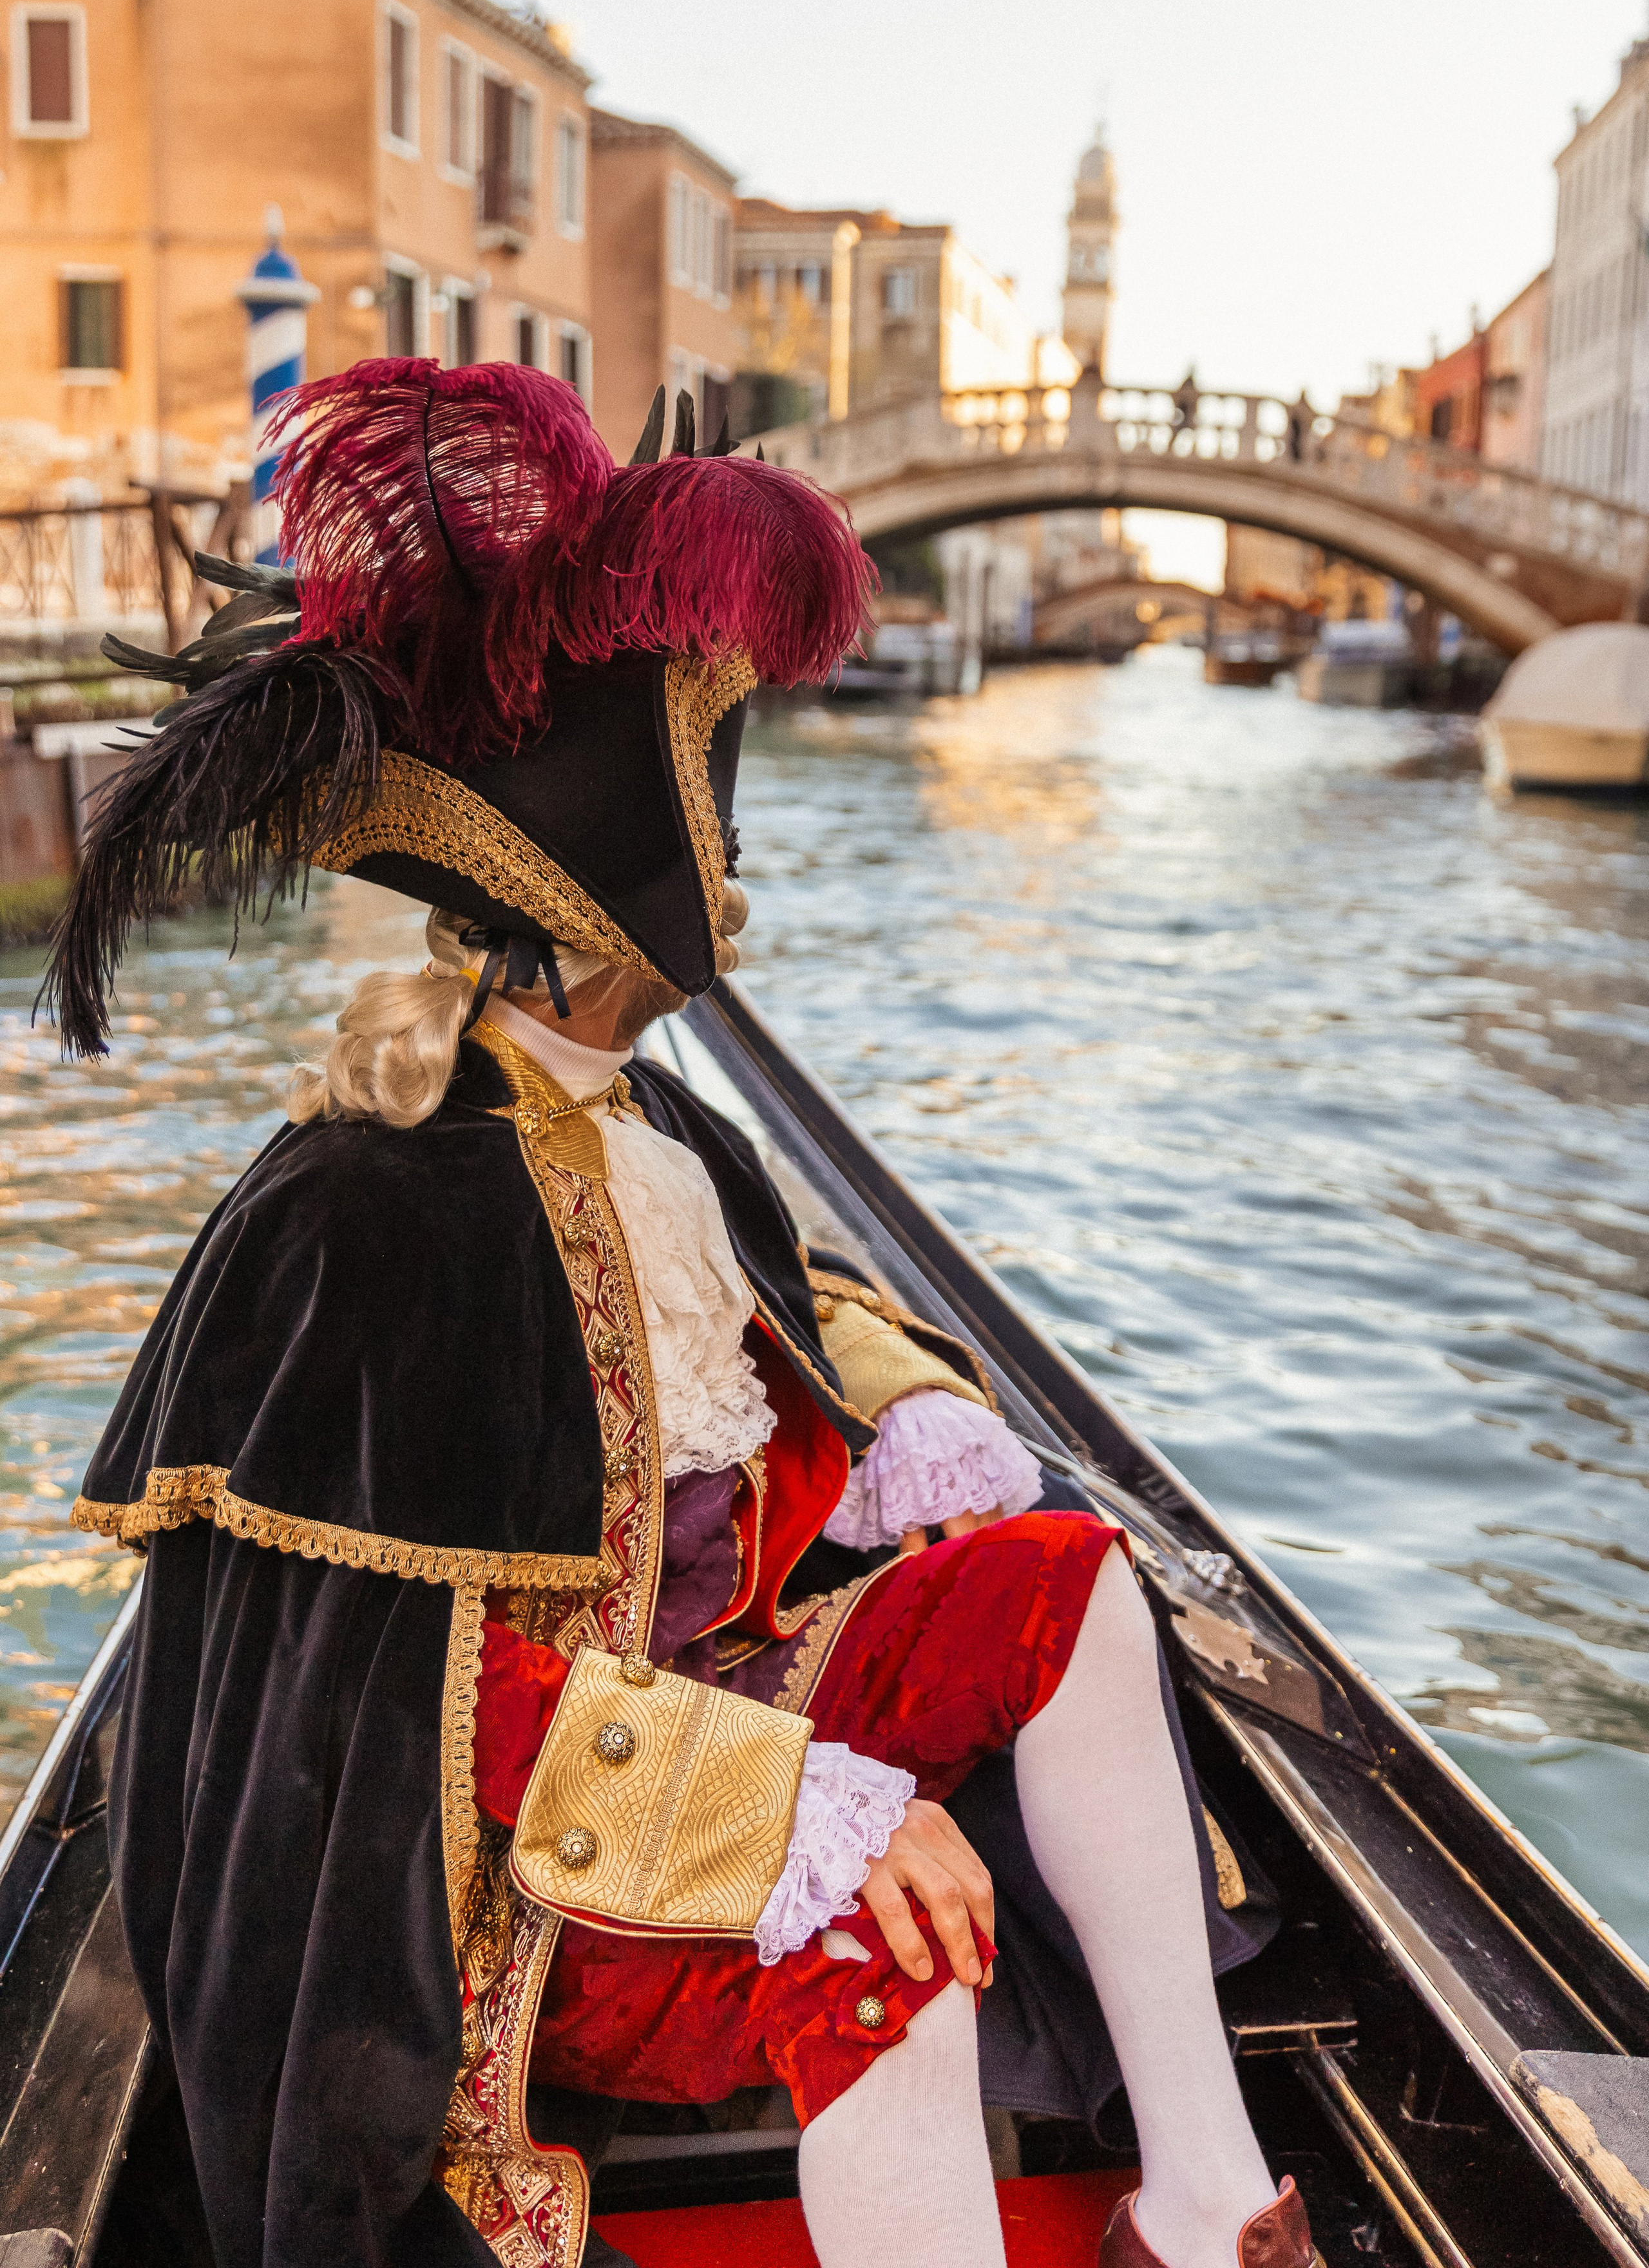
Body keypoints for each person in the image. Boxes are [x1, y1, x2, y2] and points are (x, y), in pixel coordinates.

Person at [46, 361, 1319, 2268]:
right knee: (888, 1945)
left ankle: (1212, 2201)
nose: (744, 857)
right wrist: (809, 1806)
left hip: (706, 1701)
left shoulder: (657, 1134)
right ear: (603, 880)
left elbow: (772, 1328)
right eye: (712, 812)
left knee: (1064, 1576)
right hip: (506, 1884)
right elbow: (422, 1713)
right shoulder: (370, 1218)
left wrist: (896, 1422)